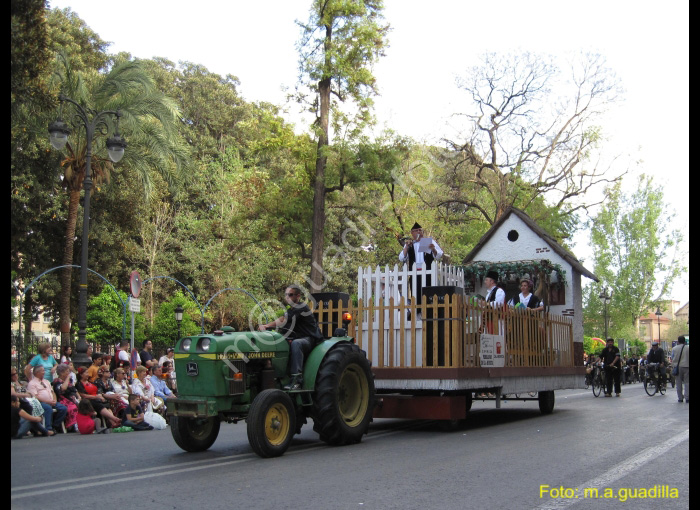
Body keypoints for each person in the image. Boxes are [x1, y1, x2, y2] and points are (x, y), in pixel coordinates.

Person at [258, 285, 323, 391]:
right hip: (297, 337)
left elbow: (283, 320)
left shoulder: (301, 307)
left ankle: (296, 380)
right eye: (286, 295)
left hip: (309, 339)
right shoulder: (291, 310)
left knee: (296, 343)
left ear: (298, 296)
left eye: (291, 295)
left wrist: (266, 325)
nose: (288, 297)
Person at [398, 222, 443, 305]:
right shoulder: (410, 244)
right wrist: (406, 247)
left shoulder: (428, 241)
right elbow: (401, 258)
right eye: (416, 230)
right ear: (412, 233)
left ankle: (429, 314)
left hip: (428, 273)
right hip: (415, 274)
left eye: (420, 230)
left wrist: (433, 249)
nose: (419, 232)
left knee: (429, 295)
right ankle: (418, 314)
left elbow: (439, 255)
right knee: (416, 295)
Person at [26, 366, 67, 433]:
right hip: (40, 403)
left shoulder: (46, 381)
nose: (44, 372)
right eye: (42, 371)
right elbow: (35, 397)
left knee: (63, 408)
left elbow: (52, 392)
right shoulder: (32, 383)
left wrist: (54, 400)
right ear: (37, 372)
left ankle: (55, 426)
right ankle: (48, 428)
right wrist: (48, 401)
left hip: (51, 402)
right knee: (48, 408)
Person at [52, 364, 79, 433]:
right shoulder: (57, 381)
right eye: (67, 371)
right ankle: (73, 425)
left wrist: (79, 397)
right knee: (73, 407)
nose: (69, 373)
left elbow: (75, 390)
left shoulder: (69, 381)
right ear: (61, 373)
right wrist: (67, 379)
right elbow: (63, 388)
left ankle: (82, 423)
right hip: (64, 399)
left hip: (72, 398)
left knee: (83, 404)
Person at [671, 336, 689, 403]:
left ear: (678, 341)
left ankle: (680, 398)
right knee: (687, 382)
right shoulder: (688, 348)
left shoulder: (674, 348)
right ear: (684, 341)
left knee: (678, 383)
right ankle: (687, 397)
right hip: (687, 366)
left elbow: (672, 358)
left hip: (677, 367)